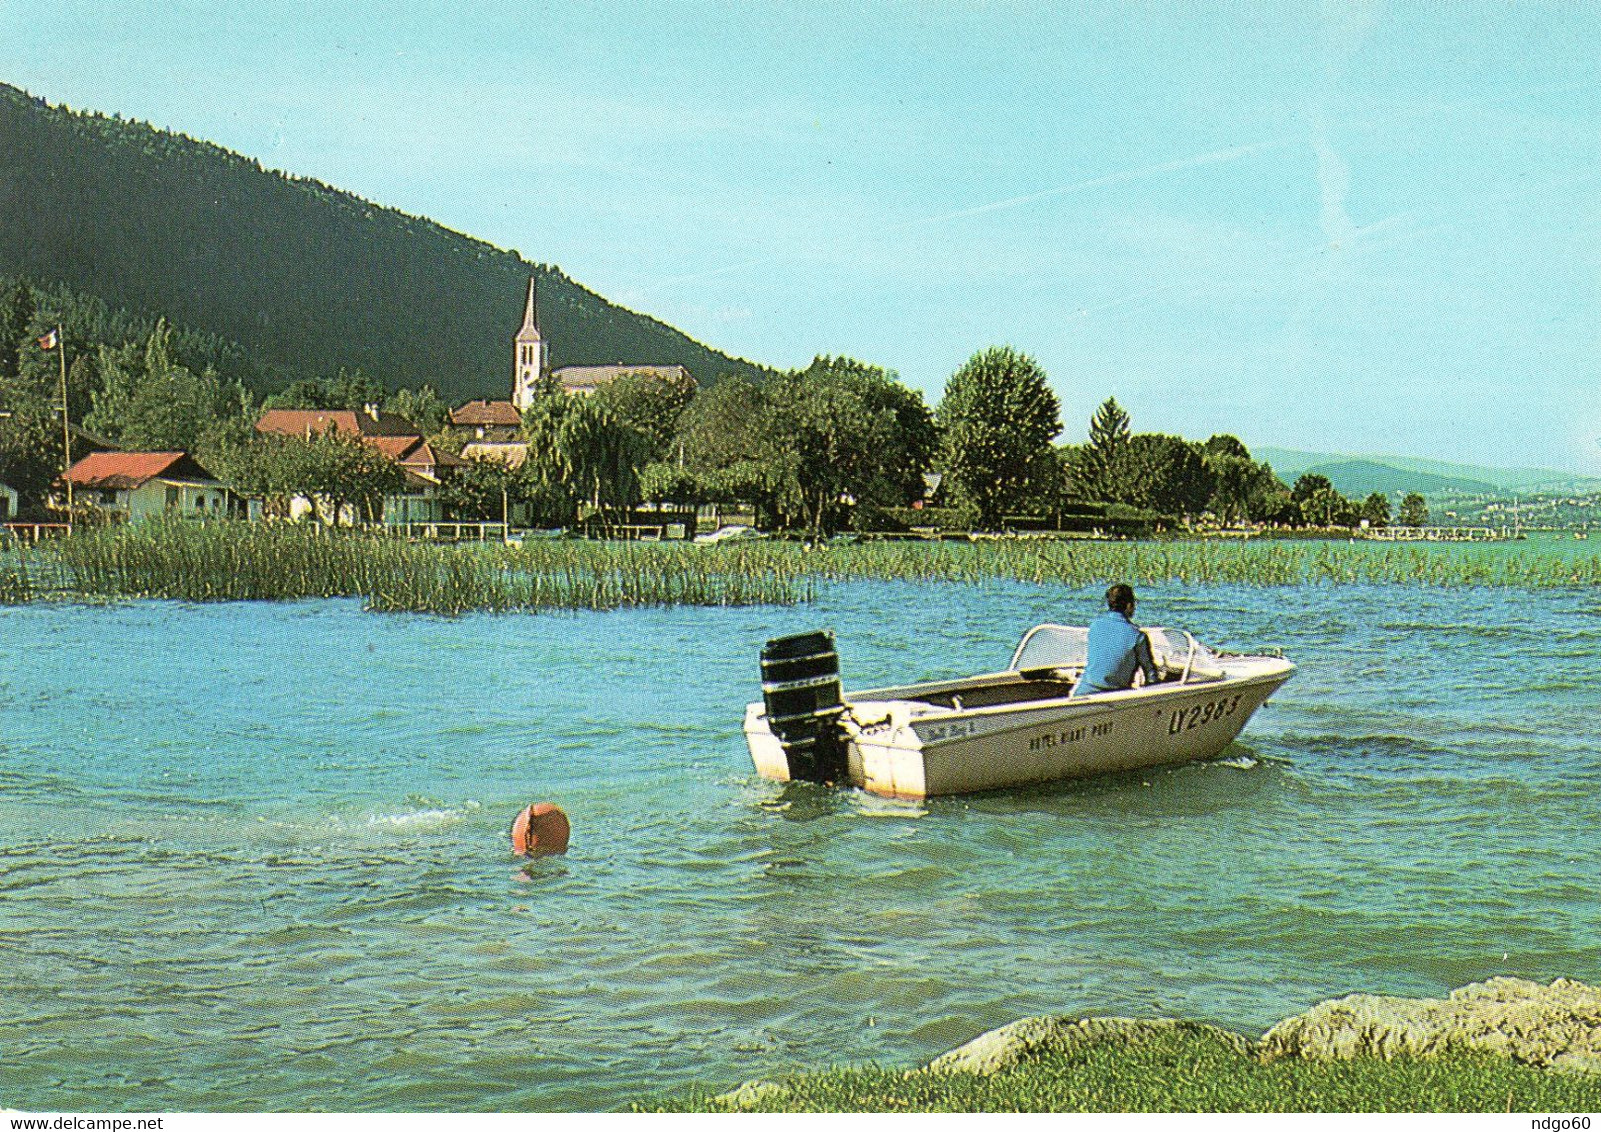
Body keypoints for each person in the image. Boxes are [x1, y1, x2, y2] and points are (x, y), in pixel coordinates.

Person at [1077, 583, 1158, 695]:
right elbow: (1150, 673)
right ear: (1129, 605)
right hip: (1115, 697)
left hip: (1082, 691)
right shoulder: (1137, 636)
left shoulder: (1095, 626)